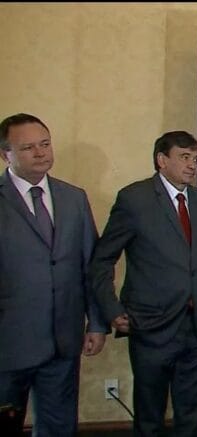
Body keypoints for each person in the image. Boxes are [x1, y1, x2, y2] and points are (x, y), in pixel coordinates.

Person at [90, 131, 197, 436]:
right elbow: (102, 260)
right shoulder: (135, 199)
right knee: (150, 417)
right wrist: (111, 310)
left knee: (192, 417)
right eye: (184, 157)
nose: (192, 165)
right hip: (151, 326)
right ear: (162, 160)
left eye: (196, 158)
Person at [0, 113, 107, 434]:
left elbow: (91, 265)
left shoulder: (73, 198)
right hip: (8, 344)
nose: (40, 153)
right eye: (28, 147)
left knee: (59, 428)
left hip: (63, 341)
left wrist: (96, 322)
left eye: (45, 144)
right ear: (6, 154)